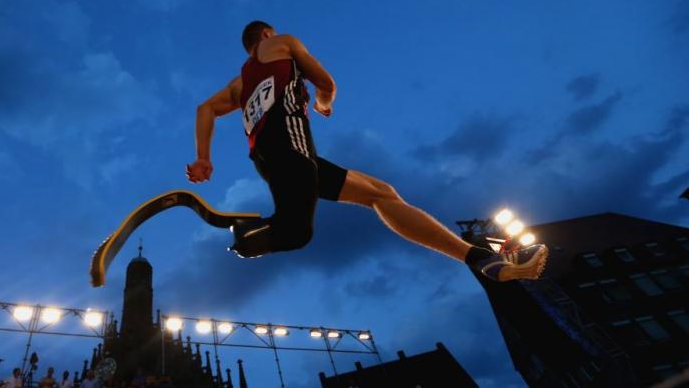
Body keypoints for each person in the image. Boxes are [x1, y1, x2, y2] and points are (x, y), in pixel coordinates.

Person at [187, 20, 548, 282]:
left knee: (380, 194)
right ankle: (247, 236)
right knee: (297, 230)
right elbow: (326, 83)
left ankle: (478, 258)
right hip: (289, 141)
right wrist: (323, 104)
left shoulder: (238, 85)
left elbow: (205, 109)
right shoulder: (281, 42)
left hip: (272, 158)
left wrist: (204, 157)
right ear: (267, 35)